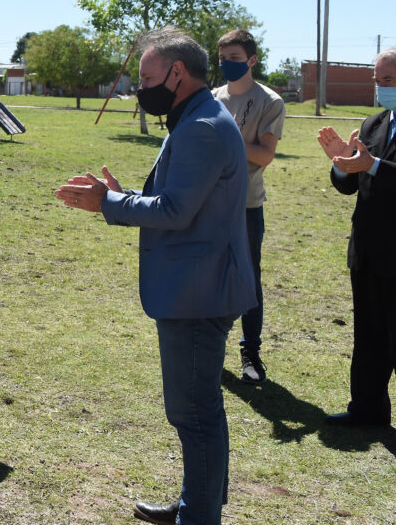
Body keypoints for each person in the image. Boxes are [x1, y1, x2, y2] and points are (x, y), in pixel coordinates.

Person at [55, 27, 254, 525]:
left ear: (177, 72)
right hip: (201, 285)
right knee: (199, 410)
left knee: (194, 415)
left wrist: (110, 202)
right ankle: (197, 504)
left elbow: (176, 210)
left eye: (146, 77)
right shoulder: (198, 116)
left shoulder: (202, 125)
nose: (139, 87)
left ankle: (199, 516)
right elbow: (182, 201)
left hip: (198, 293)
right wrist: (122, 198)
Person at [317, 46, 396, 454]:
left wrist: (373, 166)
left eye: (386, 81)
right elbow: (350, 183)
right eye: (376, 80)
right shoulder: (374, 122)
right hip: (367, 251)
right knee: (369, 338)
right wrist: (340, 162)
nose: (378, 88)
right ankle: (367, 409)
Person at [213, 29, 285, 384]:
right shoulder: (211, 98)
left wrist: (226, 139)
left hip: (246, 206)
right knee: (208, 275)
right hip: (208, 204)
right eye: (223, 58)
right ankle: (209, 348)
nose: (228, 64)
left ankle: (250, 354)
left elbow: (265, 155)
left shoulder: (270, 101)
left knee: (248, 280)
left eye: (235, 59)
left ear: (252, 60)